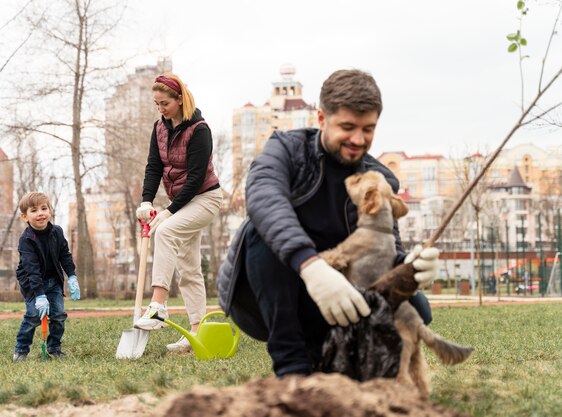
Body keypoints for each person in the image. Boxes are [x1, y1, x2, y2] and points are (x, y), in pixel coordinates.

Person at [217, 69, 440, 377]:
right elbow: (264, 199)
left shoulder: (378, 179)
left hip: (340, 296)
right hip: (273, 296)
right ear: (321, 118)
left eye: (368, 129)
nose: (358, 139)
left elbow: (386, 249)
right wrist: (311, 266)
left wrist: (411, 266)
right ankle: (292, 366)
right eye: (347, 127)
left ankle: (336, 355)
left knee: (420, 309)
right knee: (260, 230)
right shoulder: (286, 150)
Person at [133, 73, 222, 353]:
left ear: (179, 99)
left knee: (166, 231)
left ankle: (158, 306)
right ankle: (196, 333)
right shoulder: (159, 128)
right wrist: (147, 201)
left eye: (165, 104)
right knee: (189, 269)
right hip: (182, 202)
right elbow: (153, 167)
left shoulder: (199, 129)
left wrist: (170, 211)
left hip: (205, 199)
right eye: (157, 104)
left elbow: (195, 178)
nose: (161, 109)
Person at [12, 192, 81, 362]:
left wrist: (72, 276)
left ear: (50, 210)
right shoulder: (26, 240)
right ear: (25, 216)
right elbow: (31, 270)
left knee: (58, 315)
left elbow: (65, 255)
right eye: (34, 210)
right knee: (34, 315)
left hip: (53, 282)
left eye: (44, 208)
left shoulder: (57, 232)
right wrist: (40, 295)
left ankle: (54, 348)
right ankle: (21, 349)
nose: (41, 213)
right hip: (32, 283)